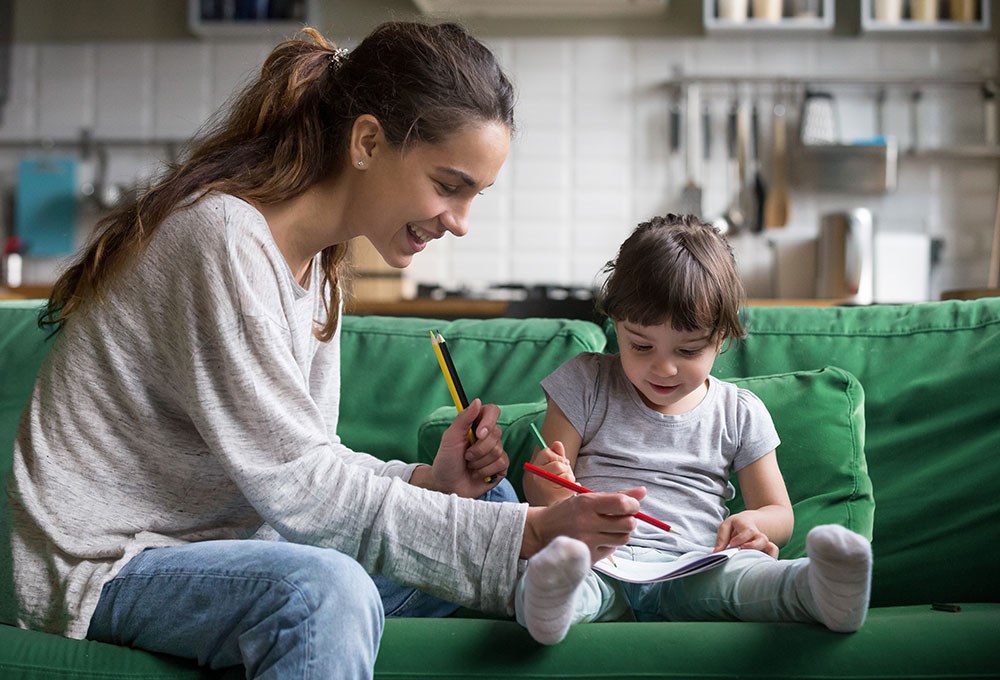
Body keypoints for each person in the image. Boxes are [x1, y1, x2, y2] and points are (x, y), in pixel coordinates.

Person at [7, 23, 646, 678]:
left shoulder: (321, 269)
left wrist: (432, 482)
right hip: (106, 562)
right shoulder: (222, 238)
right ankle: (557, 584)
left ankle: (570, 590)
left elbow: (310, 459)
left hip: (236, 548)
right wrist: (532, 534)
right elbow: (301, 487)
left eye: (473, 196)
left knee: (488, 508)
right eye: (448, 185)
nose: (459, 221)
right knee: (322, 594)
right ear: (368, 141)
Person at [516, 214, 873, 645]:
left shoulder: (739, 411)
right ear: (616, 323)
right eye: (640, 345)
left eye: (688, 350)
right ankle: (549, 603)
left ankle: (819, 590)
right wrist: (549, 484)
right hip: (598, 558)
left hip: (694, 565)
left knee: (749, 578)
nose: (663, 367)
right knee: (558, 570)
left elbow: (779, 513)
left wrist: (753, 522)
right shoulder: (585, 382)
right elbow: (544, 493)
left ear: (721, 337)